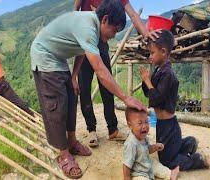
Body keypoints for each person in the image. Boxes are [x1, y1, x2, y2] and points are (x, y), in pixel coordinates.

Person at [31, 0, 146, 178]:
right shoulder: (87, 26)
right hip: (44, 56)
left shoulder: (92, 26)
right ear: (105, 19)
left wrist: (74, 75)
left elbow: (81, 50)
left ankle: (72, 142)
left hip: (59, 59)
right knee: (57, 105)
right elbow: (100, 70)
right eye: (114, 30)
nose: (114, 35)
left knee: (71, 99)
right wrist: (125, 97)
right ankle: (63, 154)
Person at [74, 0, 160, 147]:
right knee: (84, 86)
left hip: (102, 39)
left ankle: (112, 129)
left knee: (107, 85)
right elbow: (76, 8)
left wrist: (145, 33)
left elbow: (132, 14)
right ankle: (91, 129)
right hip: (86, 35)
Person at [139, 30, 210, 171]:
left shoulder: (168, 74)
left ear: (163, 52)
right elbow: (148, 93)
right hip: (165, 124)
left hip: (168, 126)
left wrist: (147, 80)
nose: (150, 56)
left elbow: (157, 98)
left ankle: (199, 159)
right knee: (168, 151)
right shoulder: (160, 71)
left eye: (152, 53)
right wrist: (147, 77)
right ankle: (189, 143)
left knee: (167, 161)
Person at [123, 107, 179, 180]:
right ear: (130, 125)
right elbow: (126, 164)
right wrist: (126, 178)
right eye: (140, 123)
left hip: (147, 163)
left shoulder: (143, 137)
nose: (144, 126)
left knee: (157, 165)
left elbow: (147, 149)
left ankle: (170, 174)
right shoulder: (131, 144)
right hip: (138, 172)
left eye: (146, 121)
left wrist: (155, 147)